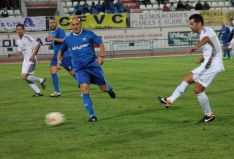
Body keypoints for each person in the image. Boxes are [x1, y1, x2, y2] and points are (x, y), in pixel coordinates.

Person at [158, 14, 225, 123]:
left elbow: (206, 39)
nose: (190, 26)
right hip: (207, 63)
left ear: (199, 23)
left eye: (192, 23)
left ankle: (209, 115)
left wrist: (195, 47)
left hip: (212, 65)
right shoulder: (204, 33)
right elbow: (213, 49)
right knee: (187, 78)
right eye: (189, 23)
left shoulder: (206, 32)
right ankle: (170, 100)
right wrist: (203, 58)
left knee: (198, 90)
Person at [57, 17, 116, 122]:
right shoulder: (68, 39)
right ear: (71, 26)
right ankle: (92, 116)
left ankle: (109, 88)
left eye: (77, 24)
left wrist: (101, 56)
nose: (75, 26)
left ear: (81, 25)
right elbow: (61, 51)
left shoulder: (89, 34)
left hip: (93, 67)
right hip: (80, 69)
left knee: (103, 89)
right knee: (84, 88)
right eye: (73, 25)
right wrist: (59, 61)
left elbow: (101, 45)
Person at [8, 24, 46, 97]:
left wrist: (32, 56)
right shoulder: (18, 41)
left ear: (23, 30)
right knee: (26, 78)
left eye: (20, 29)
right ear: (16, 31)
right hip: (25, 60)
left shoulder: (27, 38)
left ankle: (41, 80)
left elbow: (38, 45)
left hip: (31, 60)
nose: (19, 30)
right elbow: (19, 52)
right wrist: (11, 54)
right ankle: (38, 92)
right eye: (18, 29)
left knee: (23, 76)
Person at [46, 18, 76, 97]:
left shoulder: (60, 30)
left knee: (71, 72)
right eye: (50, 23)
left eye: (53, 22)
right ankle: (57, 91)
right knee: (52, 71)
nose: (52, 24)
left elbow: (64, 40)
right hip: (56, 55)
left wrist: (53, 39)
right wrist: (52, 45)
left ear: (56, 23)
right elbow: (56, 42)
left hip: (64, 55)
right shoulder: (52, 32)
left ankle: (83, 83)